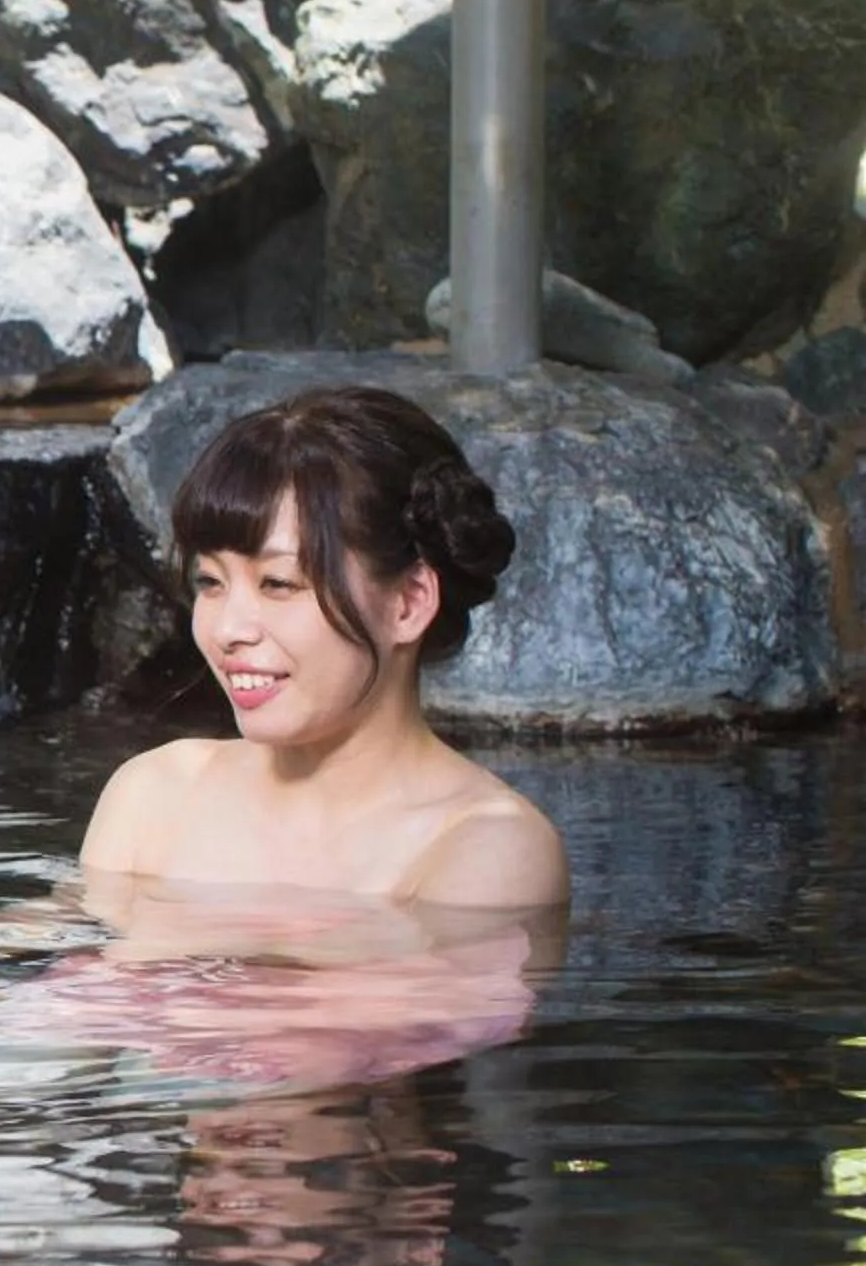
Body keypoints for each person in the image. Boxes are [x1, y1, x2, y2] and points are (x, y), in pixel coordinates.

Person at [81, 385, 566, 912]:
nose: (227, 630)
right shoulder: (153, 795)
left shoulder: (487, 849)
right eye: (210, 582)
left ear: (408, 602)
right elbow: (46, 959)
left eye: (278, 584)